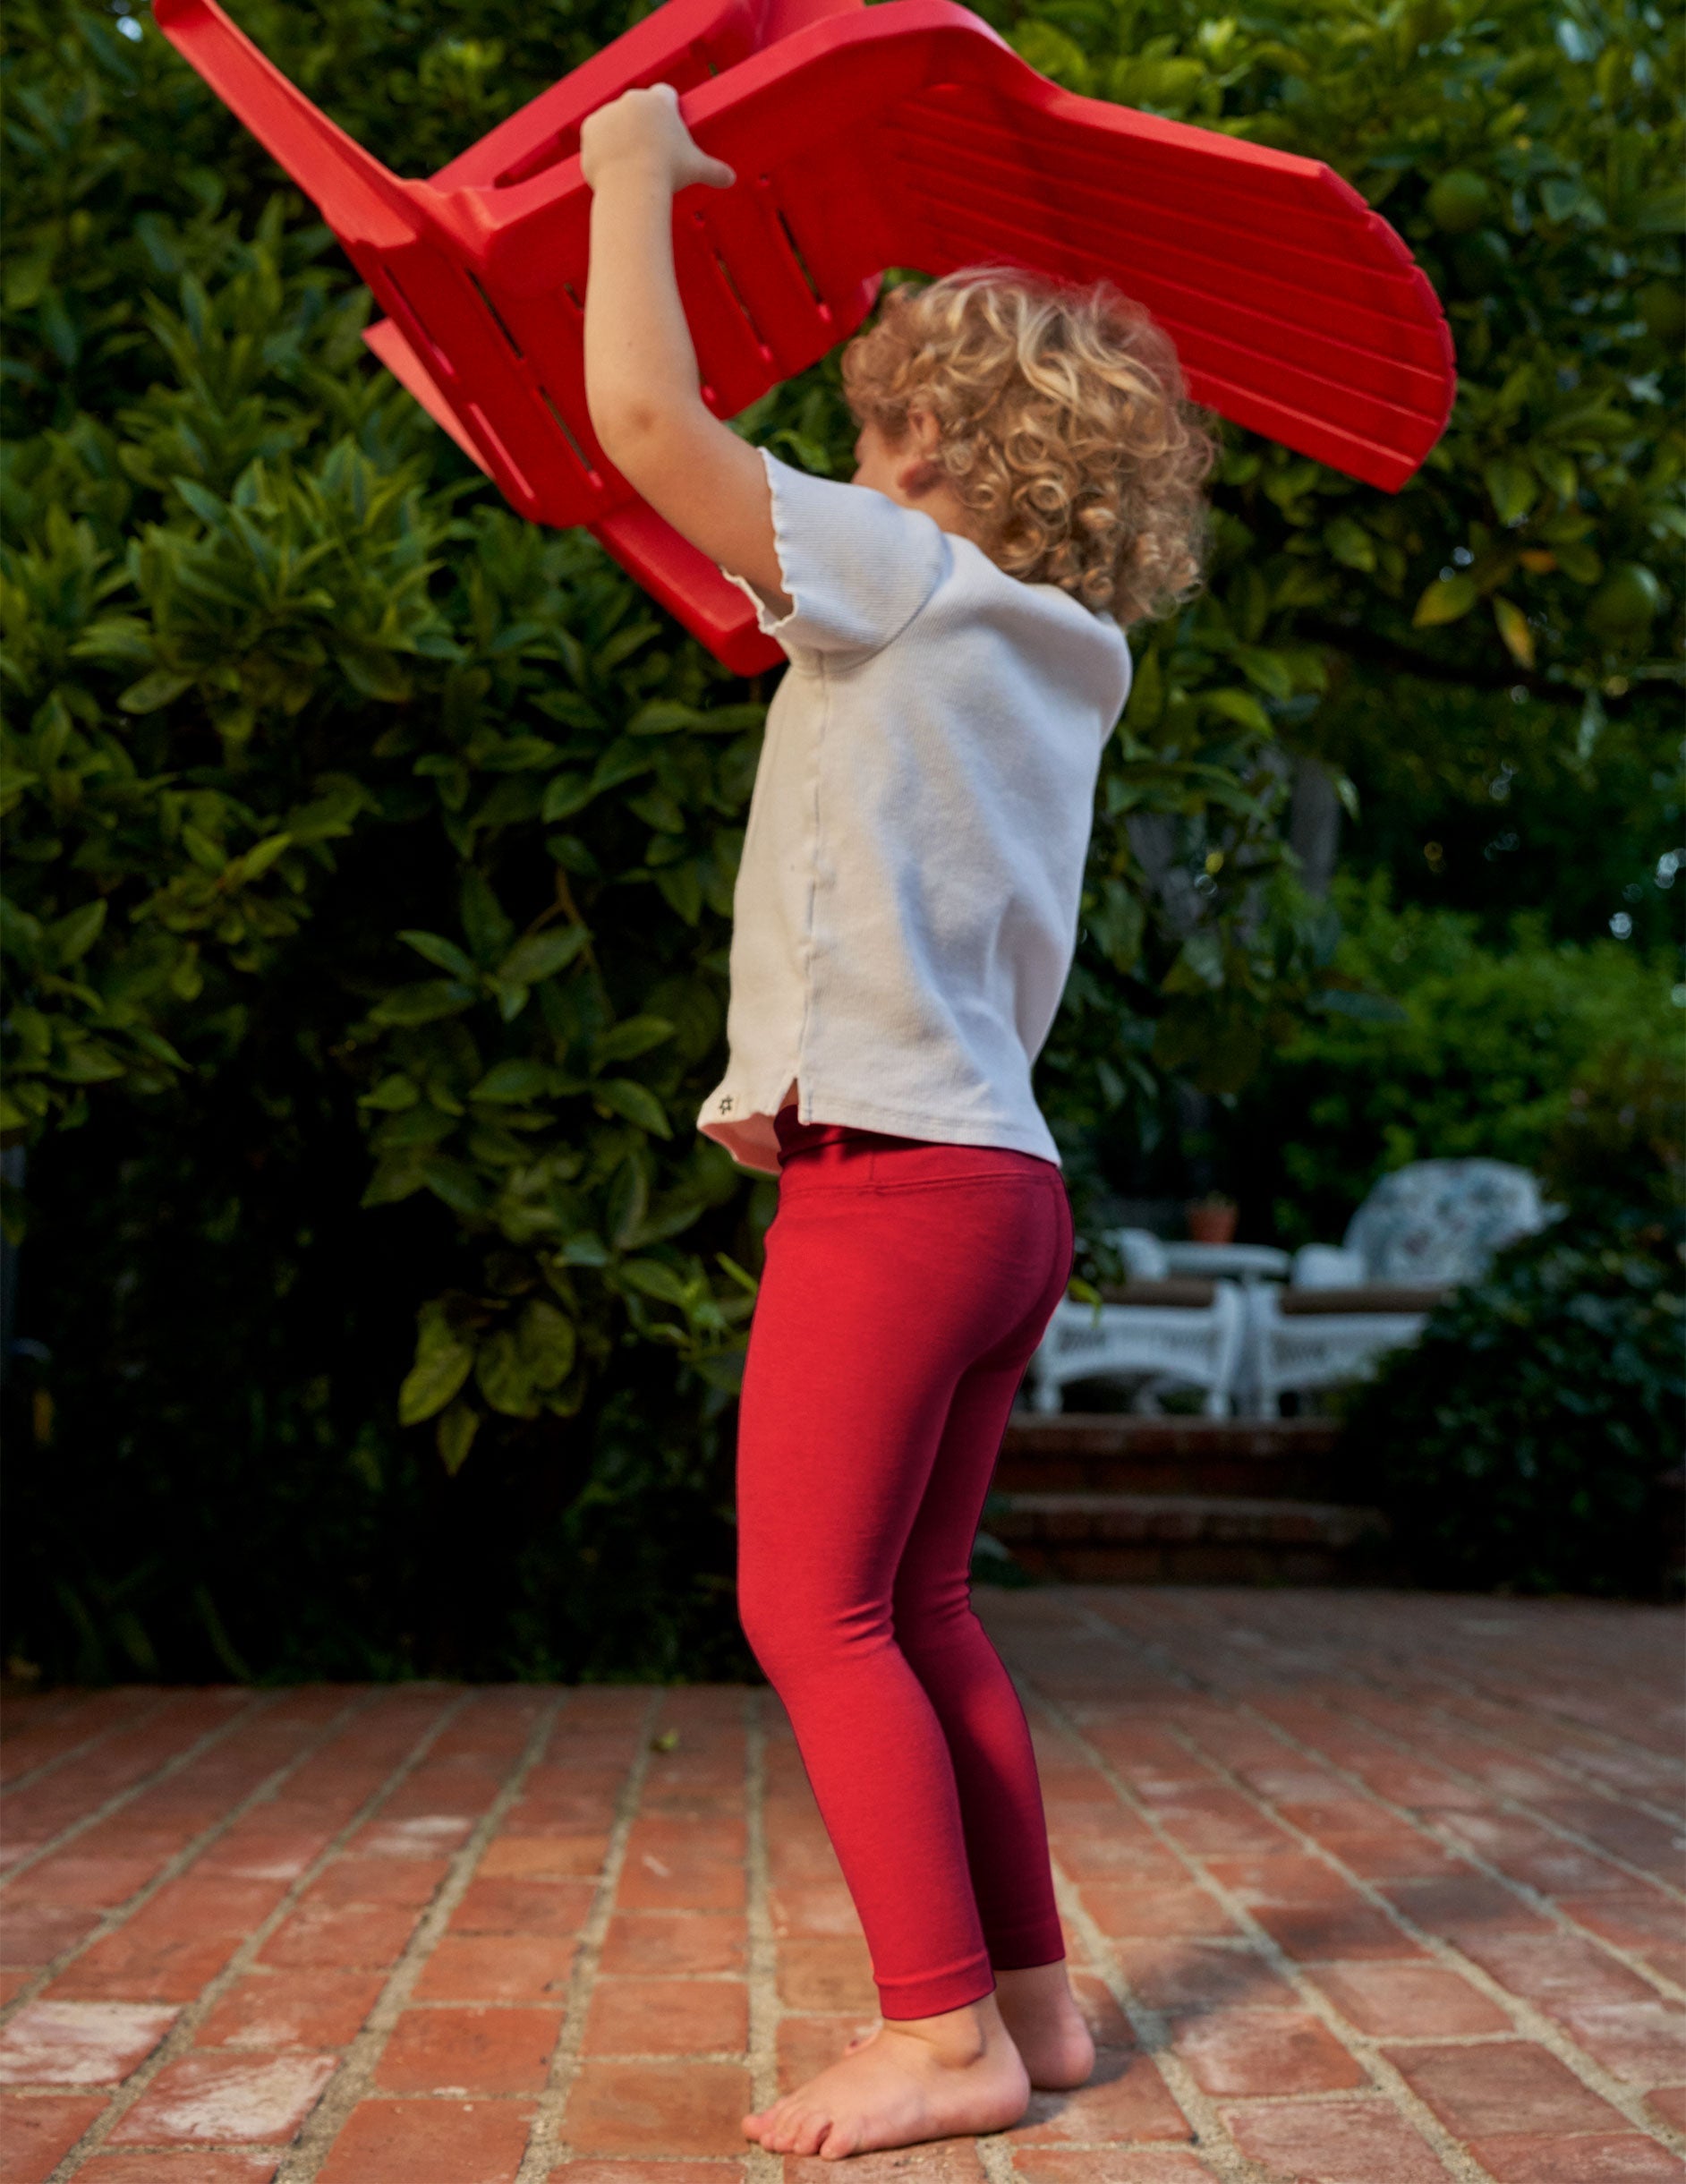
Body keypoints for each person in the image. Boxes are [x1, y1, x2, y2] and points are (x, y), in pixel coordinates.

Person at [580, 82, 1211, 2161]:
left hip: (896, 1181)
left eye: (861, 432)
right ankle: (1033, 2003)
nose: (842, 469)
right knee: (922, 1606)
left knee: (810, 1609)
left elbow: (647, 432)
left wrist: (629, 186)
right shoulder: (1068, 647)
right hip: (1001, 1183)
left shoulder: (909, 578)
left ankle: (942, 2034)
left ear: (930, 451)